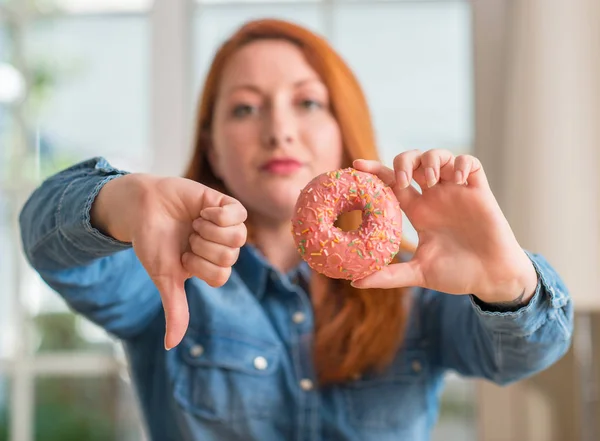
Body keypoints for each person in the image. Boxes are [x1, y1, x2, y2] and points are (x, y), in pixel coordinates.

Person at [19, 18, 573, 441]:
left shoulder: (418, 282)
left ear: (342, 128)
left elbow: (523, 357)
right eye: (244, 109)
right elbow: (45, 242)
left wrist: (508, 287)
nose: (279, 130)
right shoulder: (166, 269)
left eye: (307, 102)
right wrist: (120, 199)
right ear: (211, 143)